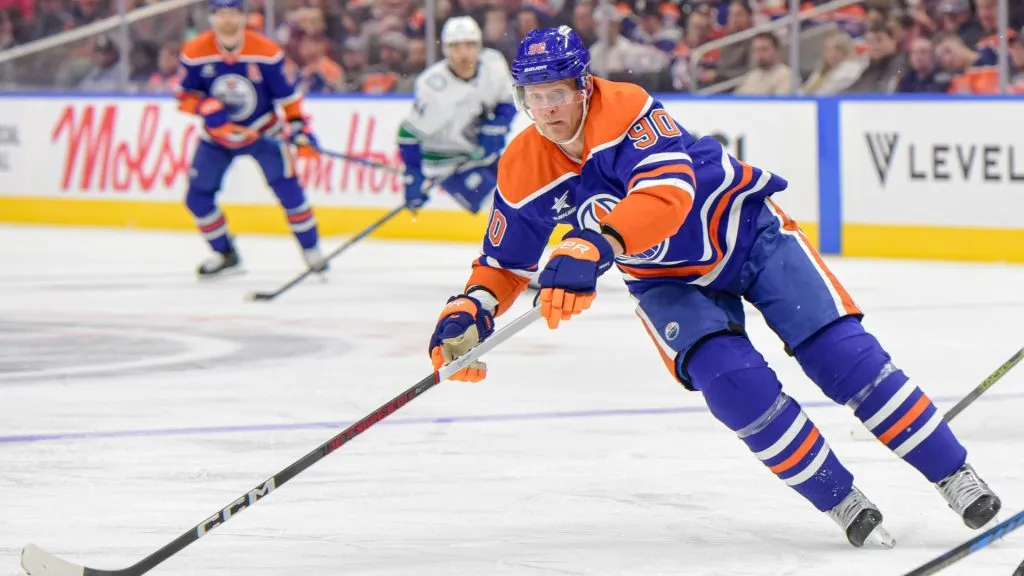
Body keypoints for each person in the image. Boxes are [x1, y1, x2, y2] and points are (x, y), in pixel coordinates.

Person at [426, 25, 1002, 548]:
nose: (547, 109)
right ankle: (841, 498)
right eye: (534, 95)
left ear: (583, 86)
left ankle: (955, 474)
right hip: (665, 280)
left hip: (747, 234)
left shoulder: (626, 108)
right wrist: (470, 310)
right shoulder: (523, 163)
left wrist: (595, 243)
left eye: (557, 92)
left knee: (842, 358)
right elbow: (504, 263)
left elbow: (666, 197)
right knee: (732, 384)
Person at [175, 0, 324, 278]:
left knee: (289, 191)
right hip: (217, 137)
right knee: (197, 198)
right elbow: (183, 96)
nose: (227, 20)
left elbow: (288, 98)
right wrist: (204, 107)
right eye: (220, 14)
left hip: (263, 131)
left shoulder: (266, 51)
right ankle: (225, 254)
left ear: (243, 17)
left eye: (233, 13)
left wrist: (299, 128)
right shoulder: (195, 52)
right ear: (212, 18)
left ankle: (312, 251)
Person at [397, 16, 516, 215]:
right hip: (448, 163)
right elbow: (408, 134)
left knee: (521, 189)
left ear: (479, 46)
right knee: (499, 206)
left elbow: (508, 101)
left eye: (470, 45)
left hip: (481, 153)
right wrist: (413, 172)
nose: (463, 53)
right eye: (456, 46)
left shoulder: (493, 63)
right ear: (446, 49)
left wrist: (498, 124)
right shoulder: (433, 87)